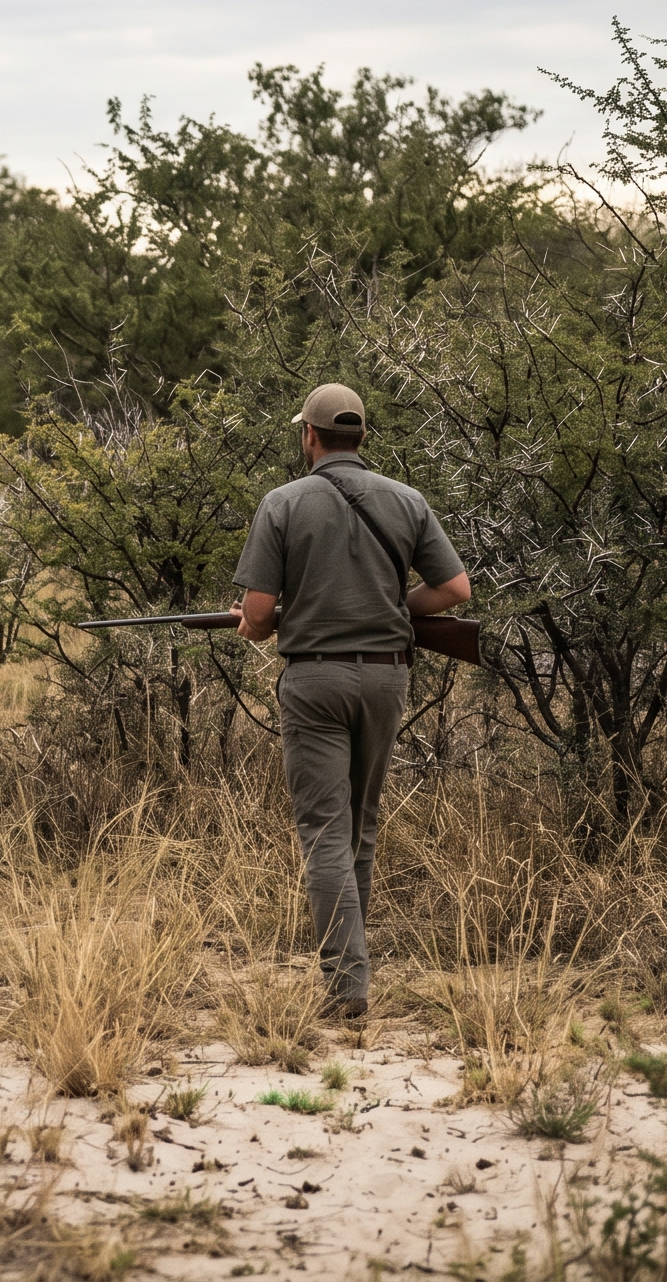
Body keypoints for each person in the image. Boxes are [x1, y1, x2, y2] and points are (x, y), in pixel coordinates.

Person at [232, 383, 472, 1018]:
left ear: (309, 436)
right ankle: (352, 973)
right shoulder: (407, 500)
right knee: (360, 825)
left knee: (324, 833)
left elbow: (257, 616)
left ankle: (345, 987)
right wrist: (392, 608)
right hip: (387, 679)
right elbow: (454, 590)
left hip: (314, 683)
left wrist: (259, 622)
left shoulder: (282, 503)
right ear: (360, 437)